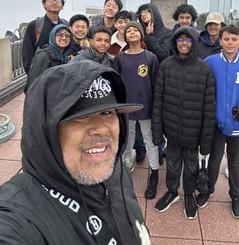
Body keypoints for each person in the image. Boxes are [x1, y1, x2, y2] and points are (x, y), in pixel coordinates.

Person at [0, 61, 151, 244]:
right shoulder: (20, 218)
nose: (101, 129)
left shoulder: (117, 170)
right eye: (80, 117)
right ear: (46, 131)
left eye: (107, 113)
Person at [196, 25, 239, 219]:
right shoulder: (209, 62)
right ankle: (207, 189)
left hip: (238, 125)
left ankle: (235, 196)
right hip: (216, 123)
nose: (230, 43)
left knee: (234, 161)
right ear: (220, 41)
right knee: (214, 159)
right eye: (226, 39)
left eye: (234, 39)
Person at [152, 26, 215, 220]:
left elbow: (208, 107)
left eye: (188, 40)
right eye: (180, 40)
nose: (184, 43)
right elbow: (158, 99)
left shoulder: (204, 69)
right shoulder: (166, 65)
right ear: (175, 42)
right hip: (171, 130)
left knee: (191, 166)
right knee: (172, 164)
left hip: (193, 132)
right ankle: (172, 192)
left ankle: (188, 194)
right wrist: (157, 130)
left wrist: (205, 141)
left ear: (194, 43)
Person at [113, 21, 160, 199]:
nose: (132, 33)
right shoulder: (120, 58)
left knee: (150, 140)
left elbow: (156, 84)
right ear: (125, 36)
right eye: (129, 31)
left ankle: (154, 172)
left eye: (135, 30)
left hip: (147, 107)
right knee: (127, 139)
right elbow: (116, 82)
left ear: (141, 34)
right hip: (126, 108)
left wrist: (156, 107)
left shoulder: (150, 57)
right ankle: (126, 168)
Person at [107, 10, 147, 164]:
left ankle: (140, 148)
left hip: (139, 90)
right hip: (124, 92)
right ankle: (125, 155)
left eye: (127, 22)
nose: (124, 26)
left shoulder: (142, 45)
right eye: (120, 22)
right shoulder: (110, 43)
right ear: (115, 24)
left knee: (141, 126)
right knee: (127, 126)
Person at [22, 0, 68, 73]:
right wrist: (31, 73)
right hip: (40, 72)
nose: (54, 3)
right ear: (44, 4)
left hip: (61, 74)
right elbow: (27, 51)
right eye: (50, 0)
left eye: (57, 1)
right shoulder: (35, 25)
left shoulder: (66, 26)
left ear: (62, 6)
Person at [24, 24, 72, 93]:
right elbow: (33, 83)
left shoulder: (64, 56)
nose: (64, 38)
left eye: (67, 36)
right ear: (53, 36)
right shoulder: (44, 56)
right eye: (60, 35)